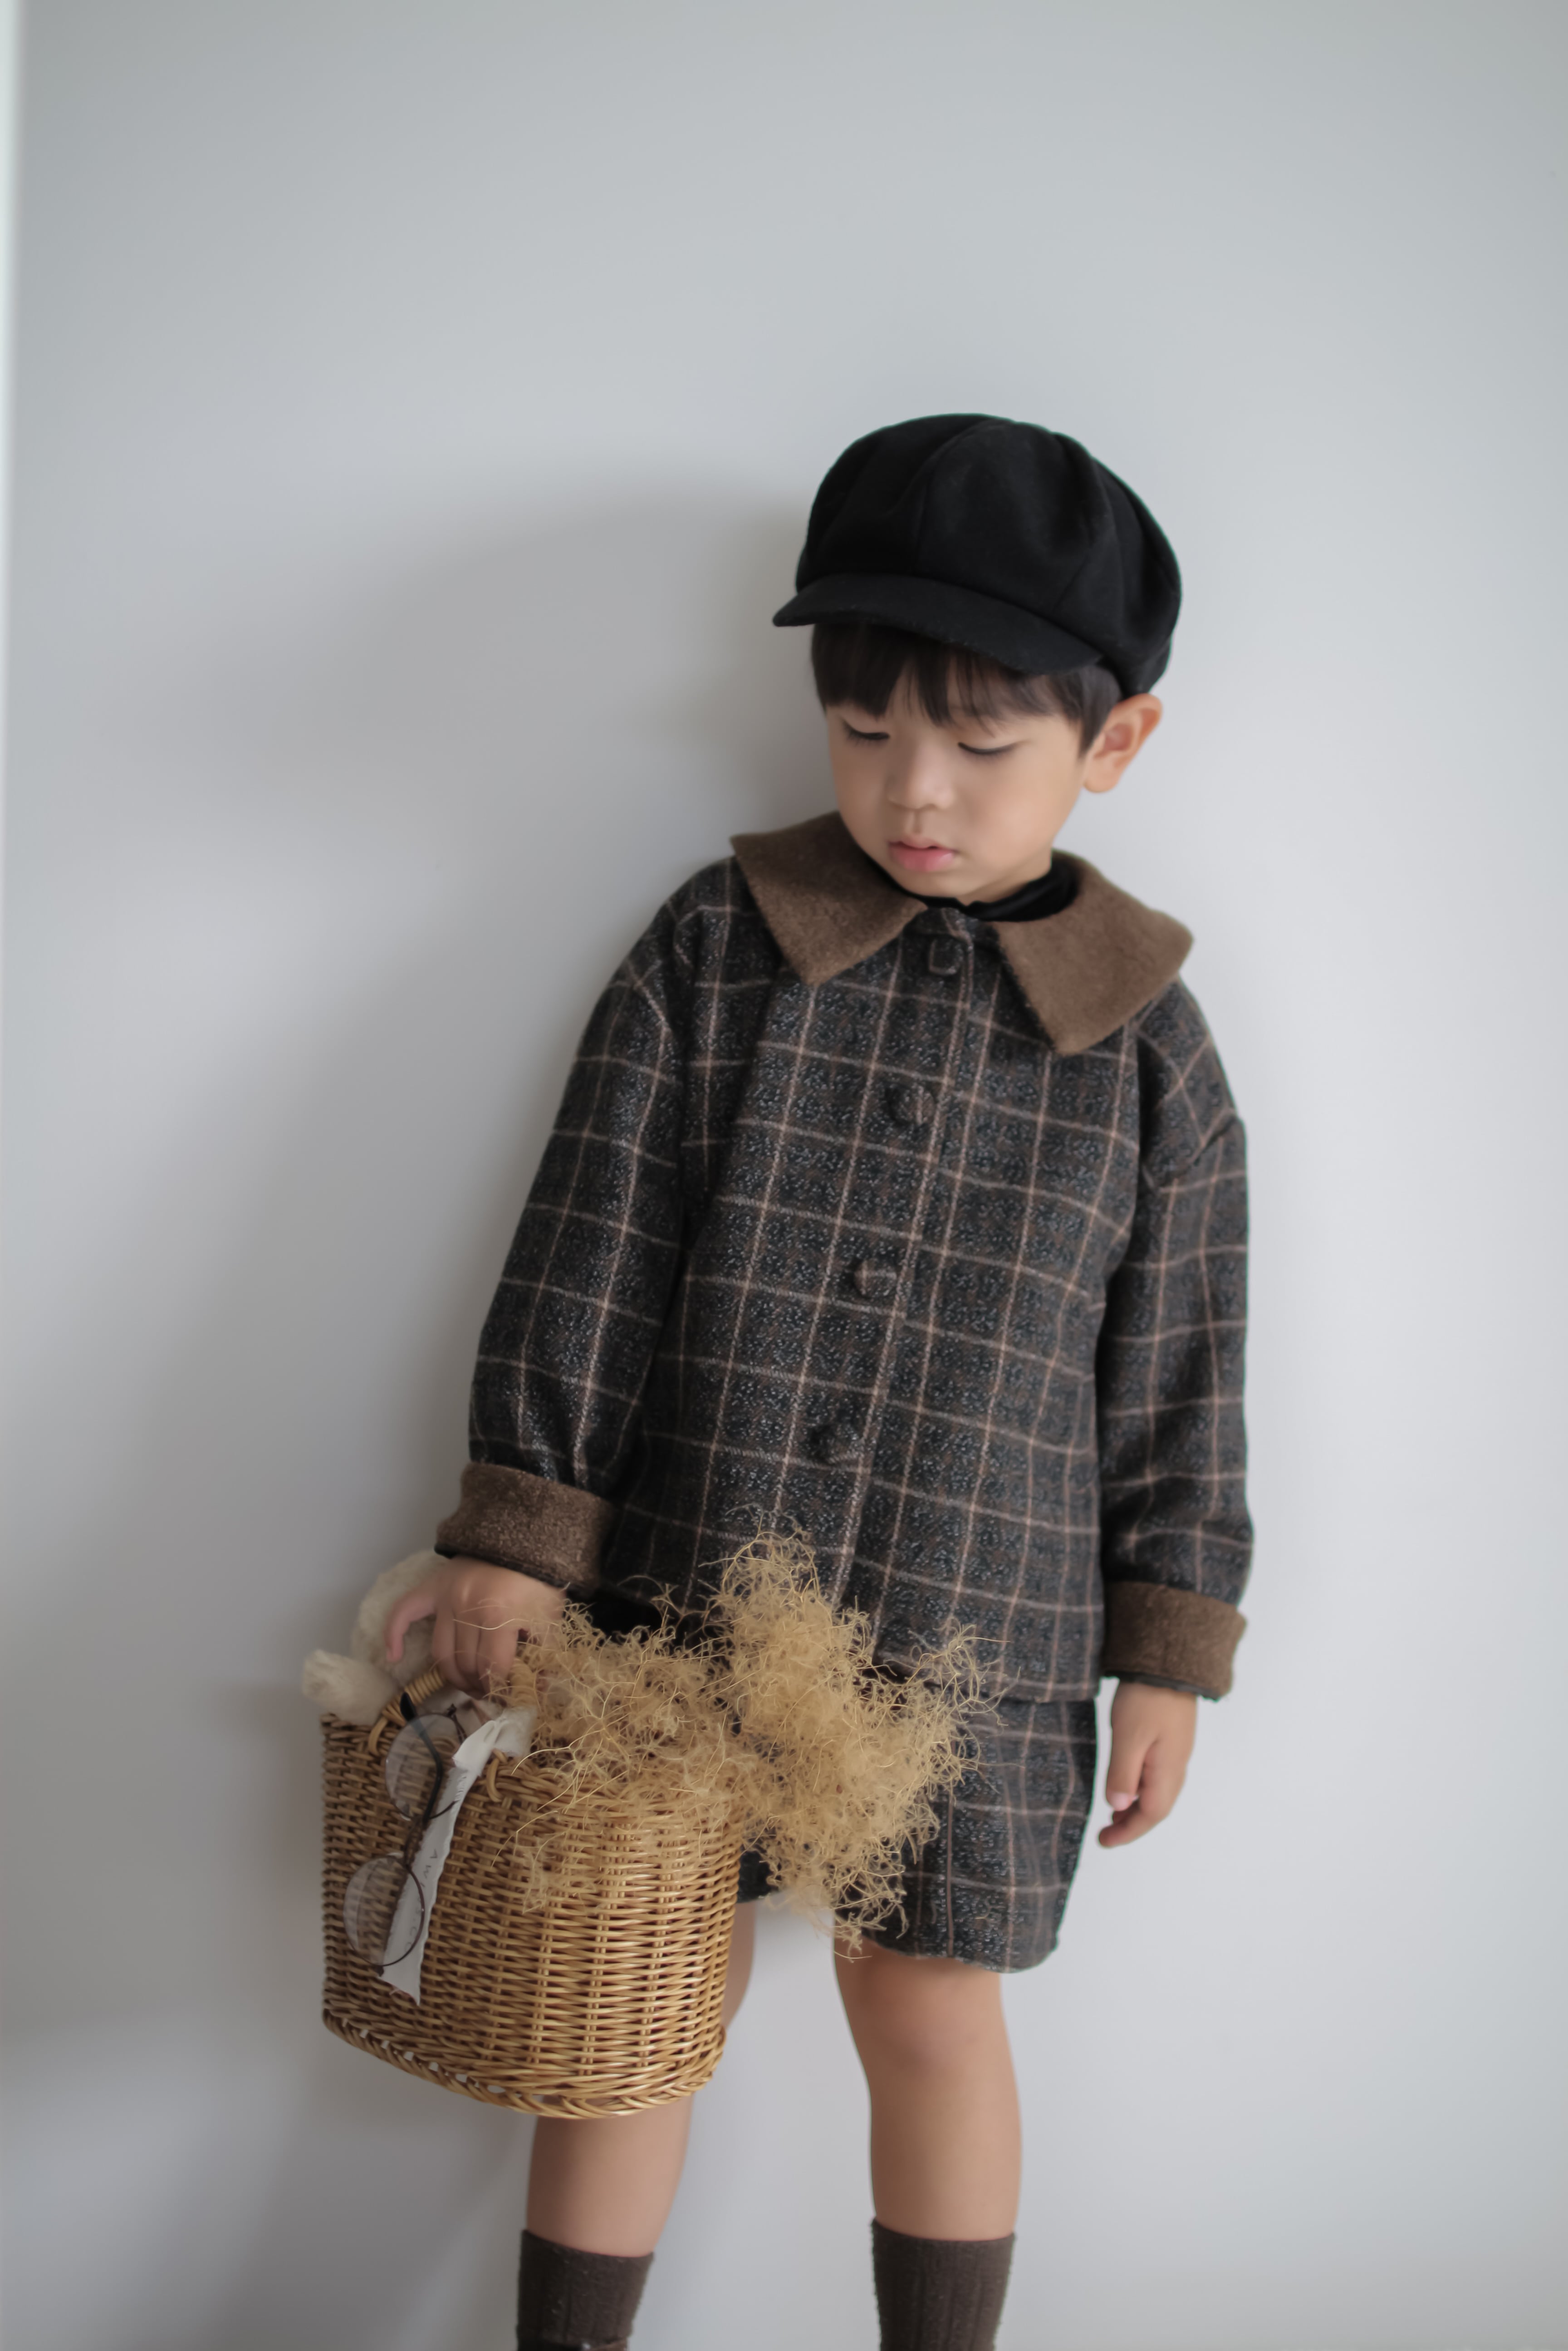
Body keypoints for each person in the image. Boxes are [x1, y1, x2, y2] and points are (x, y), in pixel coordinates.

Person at [386, 414, 1252, 2351]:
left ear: (1115, 741)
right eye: (863, 731)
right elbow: (592, 1245)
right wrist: (516, 1529)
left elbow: (1185, 1371)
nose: (912, 790)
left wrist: (1170, 1650)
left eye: (981, 746)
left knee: (931, 2011)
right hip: (682, 1597)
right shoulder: (720, 949)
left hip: (980, 1638)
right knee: (630, 2000)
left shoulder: (1149, 1048)